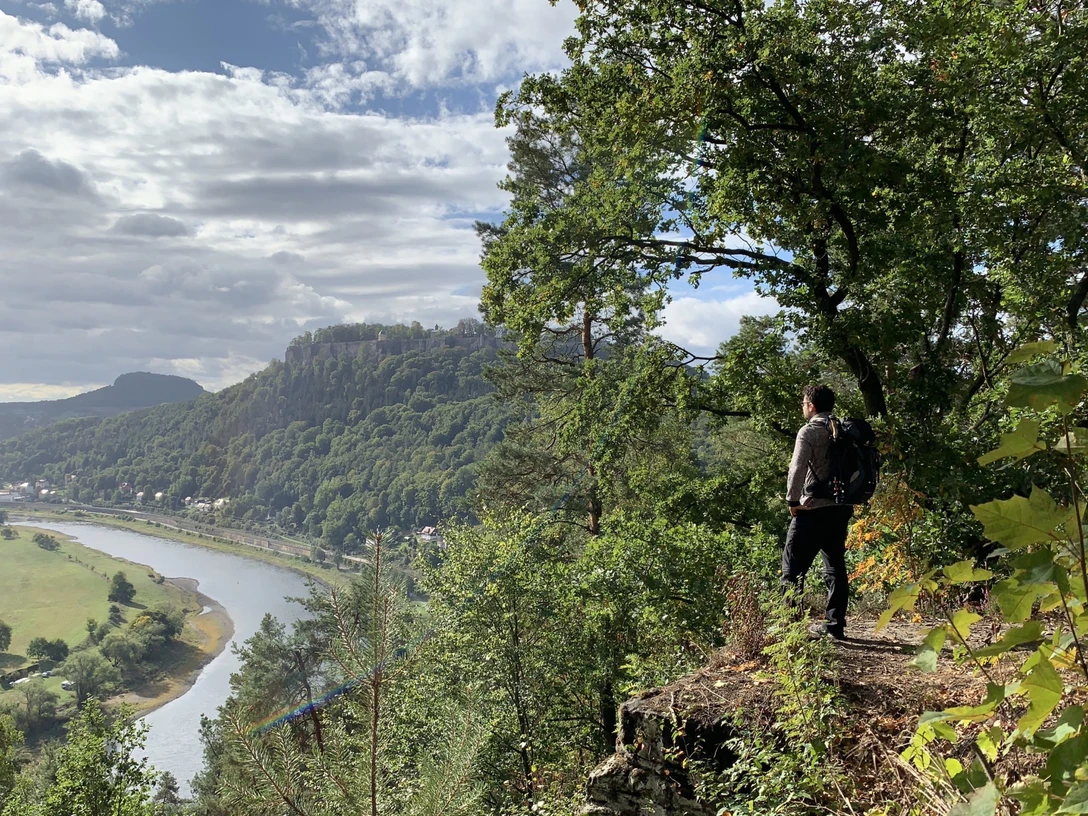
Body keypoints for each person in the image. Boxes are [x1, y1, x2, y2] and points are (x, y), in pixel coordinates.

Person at [781, 384, 854, 640]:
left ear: (811, 406)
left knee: (792, 570)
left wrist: (792, 500)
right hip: (841, 508)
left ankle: (791, 628)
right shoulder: (842, 429)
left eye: (803, 403)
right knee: (834, 567)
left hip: (811, 509)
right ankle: (836, 626)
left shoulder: (810, 430)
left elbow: (797, 468)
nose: (803, 407)